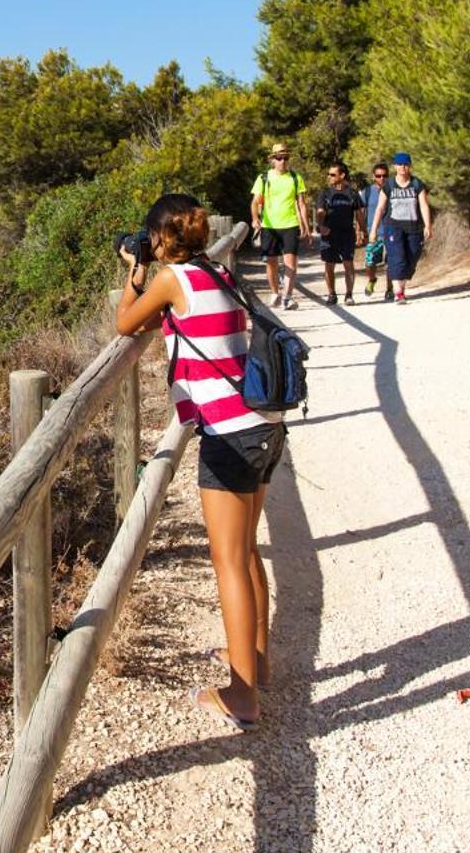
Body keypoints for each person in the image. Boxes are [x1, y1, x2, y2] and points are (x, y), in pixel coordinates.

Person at [117, 192, 281, 731]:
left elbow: (126, 324)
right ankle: (254, 662)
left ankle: (242, 696)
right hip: (263, 426)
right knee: (246, 552)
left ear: (162, 237)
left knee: (228, 561)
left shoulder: (173, 280)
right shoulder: (218, 272)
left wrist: (133, 273)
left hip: (229, 434)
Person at [249, 144, 312, 311]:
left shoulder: (295, 178)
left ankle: (288, 297)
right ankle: (275, 292)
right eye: (279, 158)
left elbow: (302, 204)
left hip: (290, 224)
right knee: (271, 263)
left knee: (290, 262)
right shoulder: (264, 178)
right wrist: (255, 219)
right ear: (272, 160)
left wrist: (306, 226)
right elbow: (255, 201)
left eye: (286, 158)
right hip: (269, 226)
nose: (283, 161)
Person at [367, 153, 432, 305]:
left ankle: (401, 285)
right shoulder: (389, 185)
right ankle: (399, 293)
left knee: (413, 256)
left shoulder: (417, 184)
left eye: (406, 164)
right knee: (397, 257)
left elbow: (423, 205)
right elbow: (380, 208)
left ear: (410, 166)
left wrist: (428, 225)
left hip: (414, 226)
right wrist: (374, 230)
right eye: (400, 164)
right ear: (395, 167)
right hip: (393, 226)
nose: (403, 167)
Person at [315, 162, 366, 304]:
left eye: (332, 174)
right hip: (329, 234)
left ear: (342, 175)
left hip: (347, 234)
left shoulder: (352, 193)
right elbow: (320, 211)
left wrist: (364, 232)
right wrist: (321, 225)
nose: (329, 177)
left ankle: (349, 295)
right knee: (329, 265)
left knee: (348, 263)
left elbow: (359, 214)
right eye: (328, 174)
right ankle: (332, 294)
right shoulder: (324, 193)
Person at [360, 162, 389, 299]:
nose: (381, 178)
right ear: (373, 176)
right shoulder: (367, 192)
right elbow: (360, 212)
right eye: (378, 176)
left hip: (390, 231)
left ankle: (390, 289)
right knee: (370, 262)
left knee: (391, 263)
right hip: (373, 233)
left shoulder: (392, 190)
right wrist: (360, 231)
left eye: (384, 176)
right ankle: (372, 280)